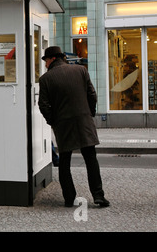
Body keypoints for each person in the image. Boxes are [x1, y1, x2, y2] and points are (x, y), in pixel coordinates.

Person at [38, 46, 110, 208]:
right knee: (91, 159)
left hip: (63, 125)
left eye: (46, 60)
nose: (45, 64)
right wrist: (89, 114)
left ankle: (69, 198)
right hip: (84, 121)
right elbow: (92, 94)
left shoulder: (46, 79)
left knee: (64, 162)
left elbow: (43, 105)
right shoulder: (80, 71)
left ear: (53, 59)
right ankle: (98, 196)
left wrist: (53, 121)